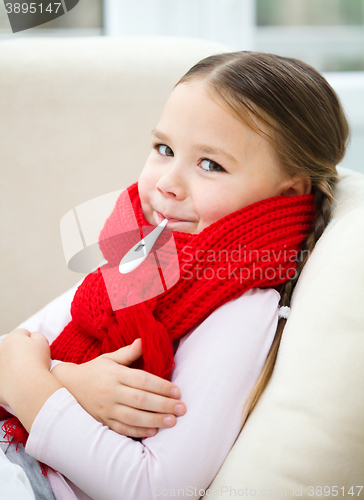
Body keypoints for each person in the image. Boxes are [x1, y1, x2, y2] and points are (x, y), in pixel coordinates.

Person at [0, 51, 348, 500]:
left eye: (211, 164)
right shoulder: (144, 260)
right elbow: (12, 354)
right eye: (164, 149)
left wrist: (33, 386)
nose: (167, 182)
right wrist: (67, 382)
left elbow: (157, 489)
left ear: (288, 193)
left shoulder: (241, 313)